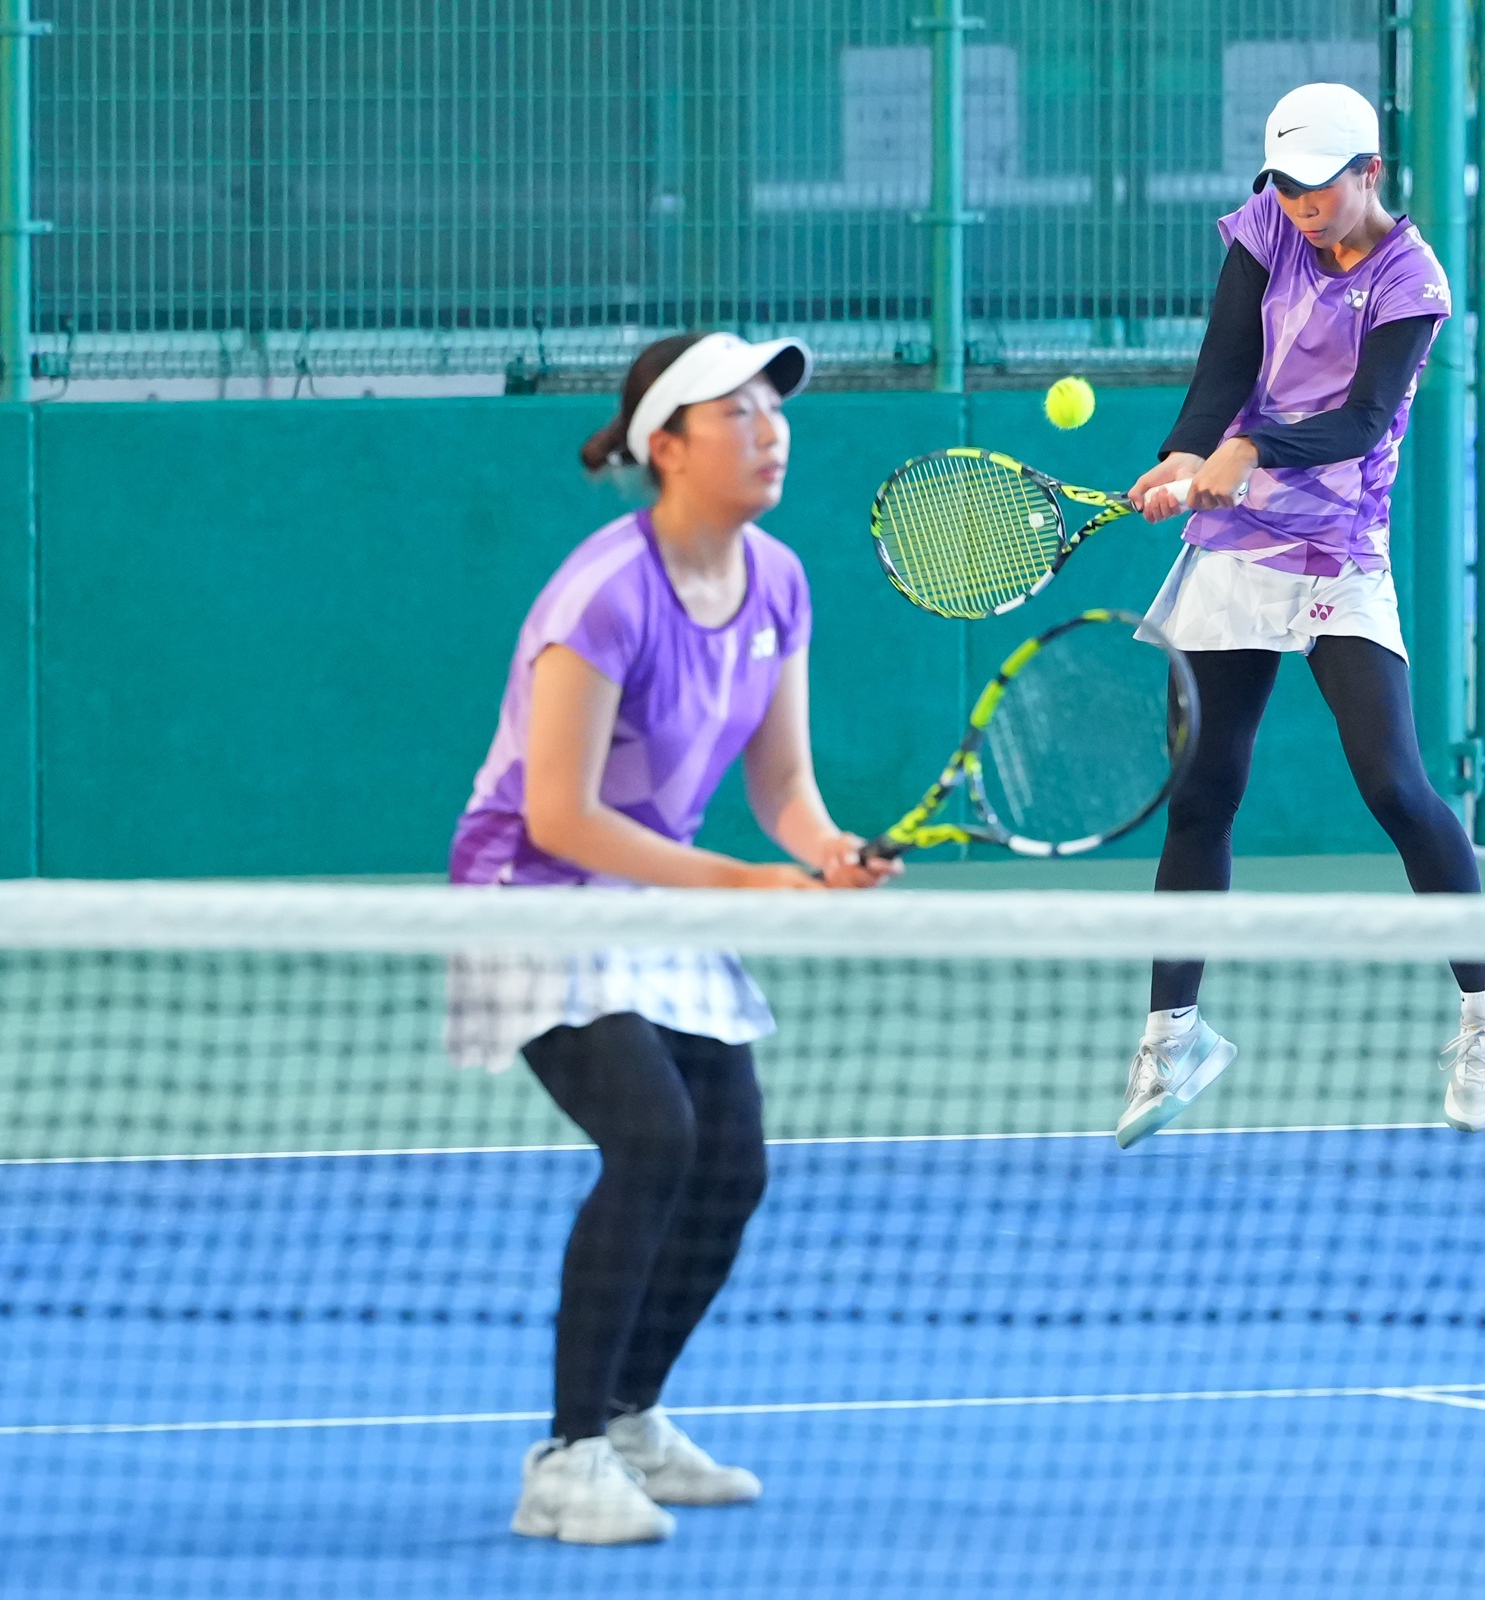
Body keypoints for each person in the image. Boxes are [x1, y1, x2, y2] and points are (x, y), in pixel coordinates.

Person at [447, 330, 898, 1545]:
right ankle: (568, 1457)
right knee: (653, 1136)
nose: (771, 430)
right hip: (531, 888)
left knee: (731, 1163)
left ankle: (631, 1414)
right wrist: (745, 884)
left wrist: (826, 849)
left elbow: (784, 784)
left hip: (651, 890)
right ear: (669, 447)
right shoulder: (604, 593)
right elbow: (558, 814)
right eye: (737, 413)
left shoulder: (779, 581)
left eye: (774, 410)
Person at [1114, 82, 1485, 1150]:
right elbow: (1225, 364)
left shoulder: (1411, 279)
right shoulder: (1267, 230)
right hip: (1234, 546)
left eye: (1320, 188)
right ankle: (1173, 1036)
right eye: (1286, 187)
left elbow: (1363, 421)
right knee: (1202, 792)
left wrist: (1249, 451)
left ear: (1369, 173)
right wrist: (1187, 451)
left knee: (1394, 785)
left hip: (1339, 546)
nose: (1301, 206)